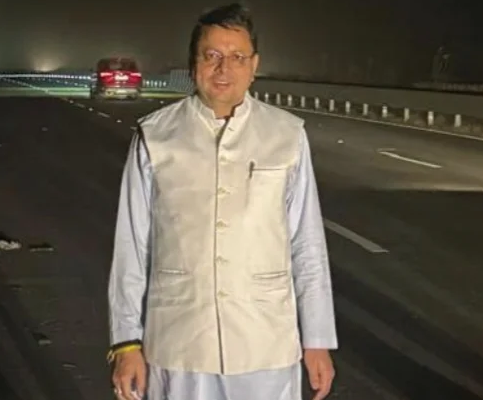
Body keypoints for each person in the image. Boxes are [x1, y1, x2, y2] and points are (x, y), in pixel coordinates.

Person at [107, 3, 338, 400]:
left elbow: (307, 244)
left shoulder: (286, 135)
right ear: (193, 64)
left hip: (265, 343)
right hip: (180, 344)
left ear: (254, 65)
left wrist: (317, 339)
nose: (223, 69)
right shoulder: (155, 136)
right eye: (211, 56)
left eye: (237, 57)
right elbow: (131, 246)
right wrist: (127, 342)